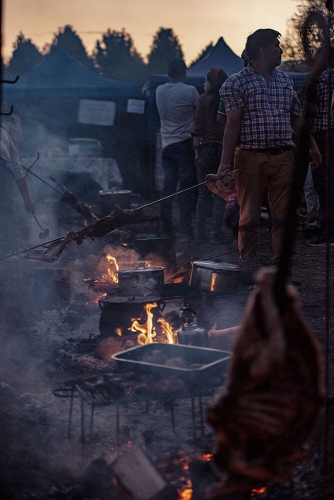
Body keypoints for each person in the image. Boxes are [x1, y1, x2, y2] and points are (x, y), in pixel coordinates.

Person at [217, 28, 321, 277]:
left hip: (284, 156)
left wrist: (312, 146)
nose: (280, 50)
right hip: (249, 158)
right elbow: (232, 125)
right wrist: (224, 163)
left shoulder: (285, 81)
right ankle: (248, 263)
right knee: (249, 216)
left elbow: (297, 119)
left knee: (283, 215)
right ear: (262, 49)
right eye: (276, 45)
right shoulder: (235, 83)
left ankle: (280, 266)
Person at [155, 58, 199, 242]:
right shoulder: (190, 91)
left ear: (168, 73)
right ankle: (186, 228)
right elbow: (199, 115)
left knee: (168, 187)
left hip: (167, 145)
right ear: (184, 73)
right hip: (185, 144)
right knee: (187, 189)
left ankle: (165, 225)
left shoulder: (159, 91)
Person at [192, 67, 228, 244]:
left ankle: (199, 233)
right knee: (219, 194)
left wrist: (197, 152)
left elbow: (197, 127)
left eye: (206, 81)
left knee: (203, 194)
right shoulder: (226, 100)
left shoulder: (202, 100)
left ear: (212, 83)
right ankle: (216, 233)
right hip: (222, 151)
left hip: (206, 150)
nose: (203, 84)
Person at [306, 59, 334, 246]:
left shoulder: (318, 81)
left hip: (321, 138)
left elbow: (306, 115)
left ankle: (328, 233)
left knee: (323, 187)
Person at [0, 125, 34, 253]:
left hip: (3, 176)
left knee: (7, 211)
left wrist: (27, 200)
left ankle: (8, 248)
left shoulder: (4, 134)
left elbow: (17, 168)